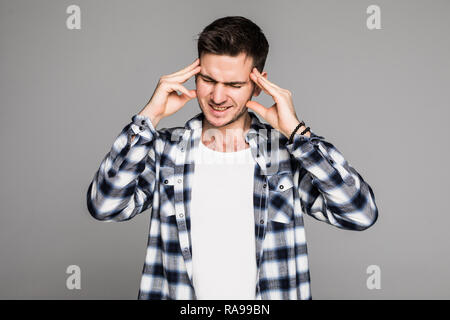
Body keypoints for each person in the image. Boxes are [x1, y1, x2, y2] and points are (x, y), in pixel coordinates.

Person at [86, 16, 378, 300]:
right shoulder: (166, 150)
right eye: (208, 80)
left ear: (258, 83)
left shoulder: (284, 153)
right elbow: (105, 206)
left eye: (234, 85)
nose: (217, 96)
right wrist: (150, 116)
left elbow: (359, 214)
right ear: (195, 75)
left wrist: (297, 133)